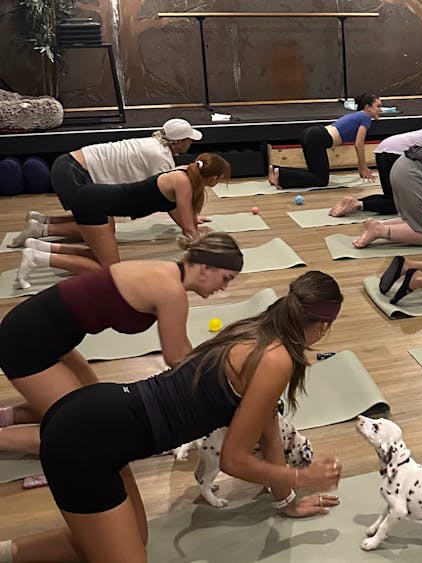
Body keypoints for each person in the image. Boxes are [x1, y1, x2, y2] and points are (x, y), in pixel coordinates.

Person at [0, 271, 344, 563]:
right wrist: (303, 478)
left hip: (99, 418)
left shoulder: (256, 331)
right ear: (323, 327)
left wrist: (287, 502)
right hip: (86, 442)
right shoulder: (276, 359)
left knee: (133, 539)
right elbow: (234, 460)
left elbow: (269, 434)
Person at [0, 232, 243, 457]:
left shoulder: (167, 271)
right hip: (27, 341)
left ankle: (6, 417)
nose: (224, 287)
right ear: (205, 268)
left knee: (90, 400)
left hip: (46, 331)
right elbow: (178, 358)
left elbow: (183, 353)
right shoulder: (171, 290)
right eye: (225, 278)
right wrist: (224, 387)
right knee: (80, 431)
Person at [12, 154, 231, 289]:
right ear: (212, 177)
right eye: (220, 179)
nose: (220, 182)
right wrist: (207, 251)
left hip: (96, 198)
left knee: (102, 255)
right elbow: (188, 228)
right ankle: (37, 258)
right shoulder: (182, 182)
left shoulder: (185, 174)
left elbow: (182, 215)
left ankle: (42, 245)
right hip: (94, 202)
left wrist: (195, 226)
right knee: (110, 271)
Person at [33, 118, 203, 224]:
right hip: (73, 172)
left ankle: (43, 222)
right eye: (189, 140)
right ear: (179, 142)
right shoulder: (161, 158)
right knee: (97, 227)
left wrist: (190, 219)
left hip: (67, 165)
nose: (191, 144)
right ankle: (41, 233)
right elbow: (169, 201)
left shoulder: (154, 143)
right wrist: (190, 224)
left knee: (96, 219)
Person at [328, 117, 422, 217]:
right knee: (399, 205)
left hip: (384, 149)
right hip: (395, 154)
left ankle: (355, 201)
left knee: (391, 198)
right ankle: (358, 204)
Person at [269, 93, 382, 188]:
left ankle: (275, 170)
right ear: (368, 108)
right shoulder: (365, 118)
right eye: (378, 106)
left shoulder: (358, 116)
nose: (380, 110)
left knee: (315, 174)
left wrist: (361, 165)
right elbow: (358, 144)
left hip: (313, 134)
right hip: (317, 138)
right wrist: (363, 166)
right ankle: (281, 174)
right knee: (321, 181)